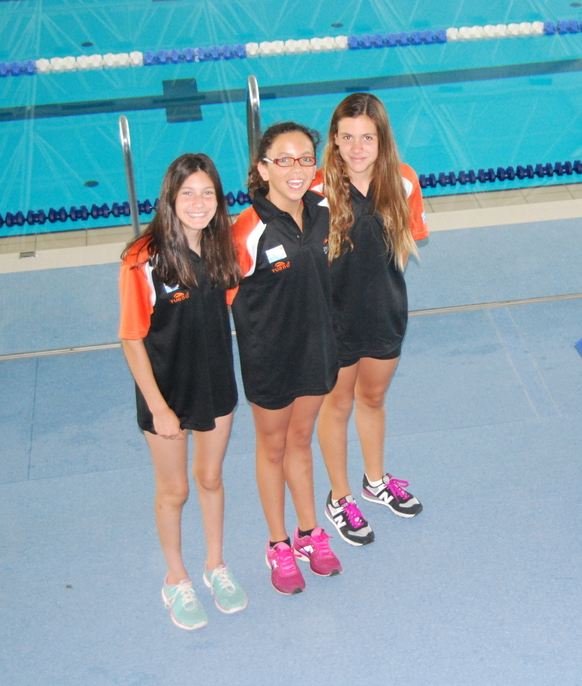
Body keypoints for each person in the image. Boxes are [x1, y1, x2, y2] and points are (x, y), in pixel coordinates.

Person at [119, 153, 246, 630]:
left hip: (216, 382)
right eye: (187, 193)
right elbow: (132, 338)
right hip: (166, 392)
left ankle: (216, 565)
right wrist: (158, 408)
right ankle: (176, 578)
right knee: (175, 490)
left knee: (210, 478)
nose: (198, 202)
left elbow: (231, 305)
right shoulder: (143, 259)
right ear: (170, 199)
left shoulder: (223, 247)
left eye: (207, 192)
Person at [229, 122, 342, 595]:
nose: (296, 169)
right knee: (273, 447)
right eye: (284, 160)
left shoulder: (324, 208)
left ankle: (310, 532)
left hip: (317, 350)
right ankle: (278, 543)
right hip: (270, 359)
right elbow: (218, 298)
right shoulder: (246, 229)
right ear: (263, 169)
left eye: (305, 159)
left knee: (301, 440)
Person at [313, 92, 428, 546]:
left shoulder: (403, 181)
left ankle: (375, 482)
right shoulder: (314, 191)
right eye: (347, 138)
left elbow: (406, 240)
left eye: (367, 138)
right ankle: (339, 497)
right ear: (333, 140)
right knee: (337, 404)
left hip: (384, 310)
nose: (357, 148)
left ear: (382, 140)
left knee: (373, 398)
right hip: (332, 320)